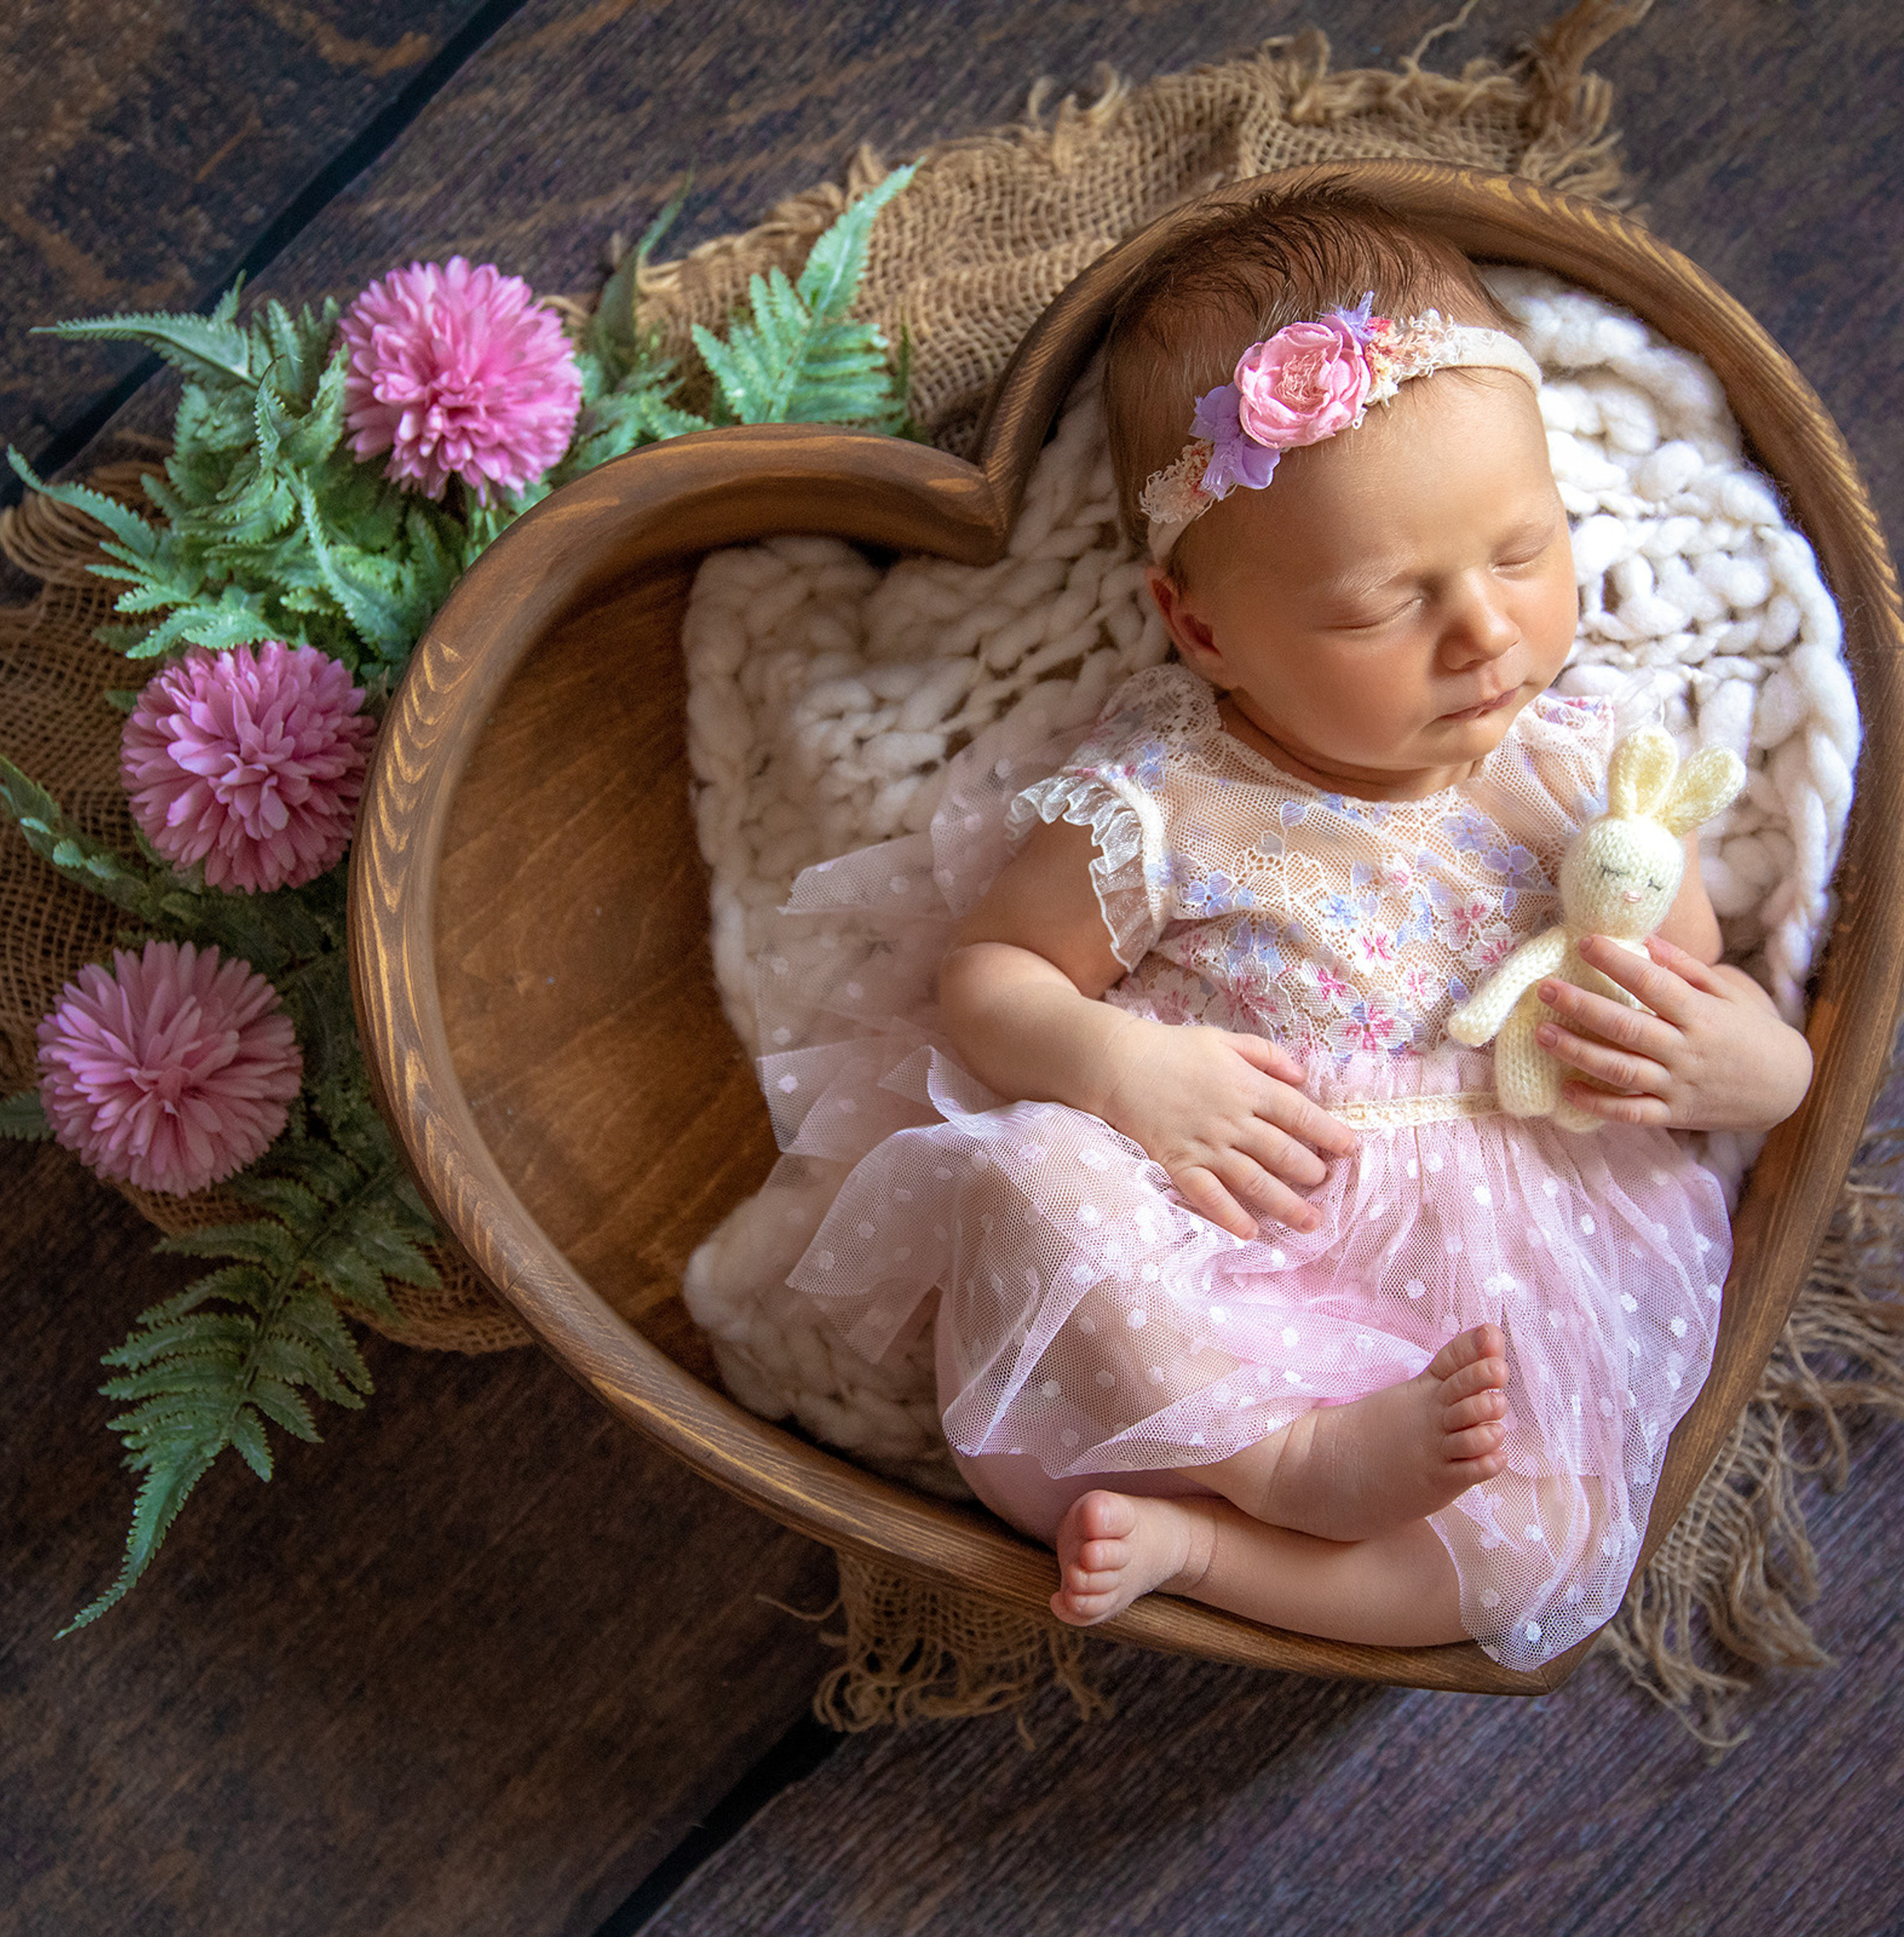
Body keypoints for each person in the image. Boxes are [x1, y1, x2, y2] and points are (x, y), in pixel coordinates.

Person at [773, 188, 1813, 1669]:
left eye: (1522, 551)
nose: (1481, 631)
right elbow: (989, 978)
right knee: (1030, 1176)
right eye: (1382, 605)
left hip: (1493, 1276)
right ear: (1202, 629)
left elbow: (1698, 993)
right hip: (1218, 1266)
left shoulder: (1587, 768)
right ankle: (1271, 1464)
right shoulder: (1161, 795)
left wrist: (1744, 1068)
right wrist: (1120, 1073)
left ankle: (1213, 1549)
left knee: (1544, 1543)